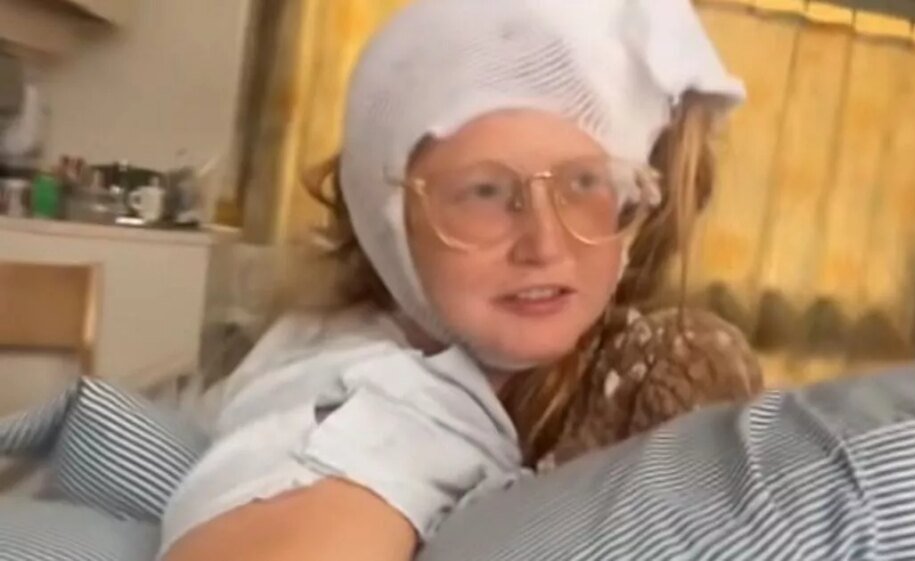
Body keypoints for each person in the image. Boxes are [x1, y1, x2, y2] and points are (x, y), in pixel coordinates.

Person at [160, 1, 761, 560]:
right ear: (387, 219)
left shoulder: (607, 369)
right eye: (485, 191)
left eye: (584, 183)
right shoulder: (367, 402)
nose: (544, 245)